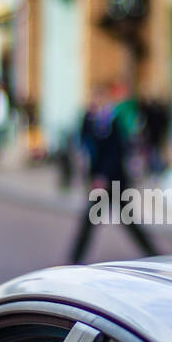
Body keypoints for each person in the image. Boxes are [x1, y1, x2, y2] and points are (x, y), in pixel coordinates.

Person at [68, 84, 157, 264]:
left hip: (114, 181)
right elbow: (85, 146)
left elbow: (116, 152)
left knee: (126, 220)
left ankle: (154, 253)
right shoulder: (88, 119)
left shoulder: (112, 120)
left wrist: (103, 176)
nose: (95, 102)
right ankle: (75, 260)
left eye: (98, 98)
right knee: (92, 222)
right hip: (98, 181)